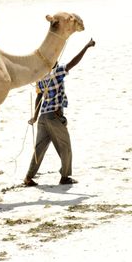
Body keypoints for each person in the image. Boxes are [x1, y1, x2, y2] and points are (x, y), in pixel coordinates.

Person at [23, 38, 96, 186]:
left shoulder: (41, 77)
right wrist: (86, 46)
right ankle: (65, 177)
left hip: (43, 117)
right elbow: (73, 63)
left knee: (39, 149)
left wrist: (35, 117)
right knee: (65, 146)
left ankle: (28, 178)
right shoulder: (57, 73)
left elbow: (38, 97)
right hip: (54, 117)